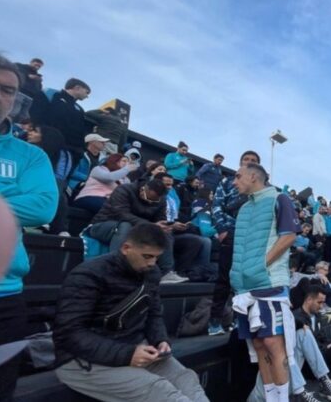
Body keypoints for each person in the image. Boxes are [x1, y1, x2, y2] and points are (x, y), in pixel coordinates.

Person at [53, 223, 208, 401]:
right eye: (147, 256)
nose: (152, 263)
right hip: (81, 359)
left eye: (157, 258)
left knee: (187, 379)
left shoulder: (151, 273)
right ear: (126, 248)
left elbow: (153, 313)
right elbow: (70, 333)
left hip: (133, 347)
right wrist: (127, 354)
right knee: (163, 393)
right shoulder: (88, 275)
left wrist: (160, 340)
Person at [0, 55, 58, 400]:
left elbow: (42, 206)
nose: (1, 97)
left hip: (5, 297)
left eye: (8, 90)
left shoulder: (30, 156)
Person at [230, 162, 300, 402]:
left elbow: (289, 236)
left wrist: (261, 264)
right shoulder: (243, 209)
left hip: (269, 283)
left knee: (273, 343)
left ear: (253, 176)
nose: (234, 181)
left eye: (238, 176)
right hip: (244, 288)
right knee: (259, 345)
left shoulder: (280, 198)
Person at [87, 178, 189, 283]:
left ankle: (166, 272)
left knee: (164, 231)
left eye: (155, 200)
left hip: (136, 228)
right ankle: (116, 268)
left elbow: (160, 219)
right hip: (104, 224)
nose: (151, 201)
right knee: (125, 226)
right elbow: (121, 214)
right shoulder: (124, 190)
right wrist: (151, 224)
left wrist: (169, 225)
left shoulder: (161, 199)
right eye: (151, 198)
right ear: (144, 189)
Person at [208, 150, 260, 335]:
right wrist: (222, 230)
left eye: (253, 161)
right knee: (224, 280)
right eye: (246, 159)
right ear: (240, 162)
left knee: (245, 282)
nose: (249, 162)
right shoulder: (227, 181)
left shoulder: (260, 187)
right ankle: (214, 322)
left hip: (251, 238)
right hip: (230, 233)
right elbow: (216, 206)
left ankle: (241, 321)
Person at [25, 124, 73, 235]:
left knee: (58, 189)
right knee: (59, 192)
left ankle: (50, 223)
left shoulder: (64, 154)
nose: (30, 133)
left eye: (35, 131)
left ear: (46, 136)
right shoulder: (26, 148)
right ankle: (58, 227)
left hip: (50, 183)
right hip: (26, 181)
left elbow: (60, 175)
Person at [46, 78, 92, 156]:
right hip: (49, 143)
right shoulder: (52, 95)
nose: (87, 96)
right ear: (77, 88)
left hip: (69, 149)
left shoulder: (79, 109)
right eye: (86, 92)